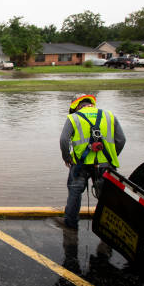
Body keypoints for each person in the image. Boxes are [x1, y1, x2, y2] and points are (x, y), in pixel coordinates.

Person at [56, 94, 126, 230]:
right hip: (105, 165)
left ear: (76, 106)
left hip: (80, 165)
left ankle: (70, 224)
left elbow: (64, 140)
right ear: (91, 104)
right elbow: (121, 140)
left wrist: (67, 158)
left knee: (75, 192)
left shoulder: (73, 118)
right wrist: (111, 156)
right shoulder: (109, 116)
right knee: (106, 196)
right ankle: (109, 228)